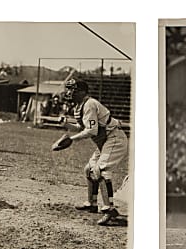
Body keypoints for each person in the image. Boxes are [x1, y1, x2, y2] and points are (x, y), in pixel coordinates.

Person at [51, 78, 129, 227]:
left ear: (81, 91)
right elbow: (82, 127)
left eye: (72, 89)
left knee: (101, 170)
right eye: (68, 88)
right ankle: (92, 203)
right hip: (104, 141)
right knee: (89, 169)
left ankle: (109, 209)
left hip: (114, 138)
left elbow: (92, 131)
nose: (68, 92)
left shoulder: (89, 104)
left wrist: (72, 139)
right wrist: (66, 124)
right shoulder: (80, 106)